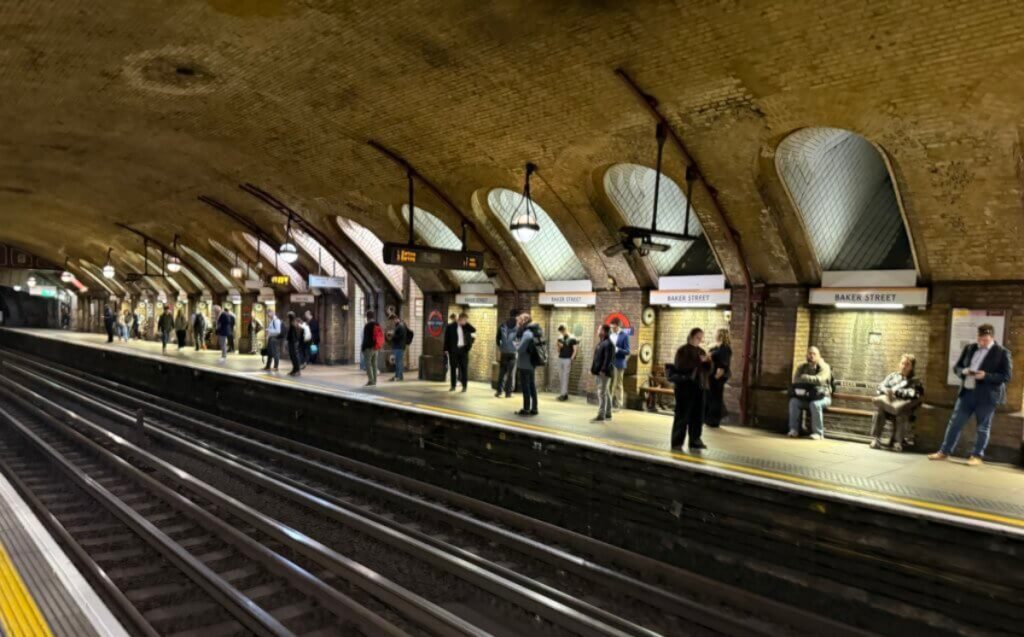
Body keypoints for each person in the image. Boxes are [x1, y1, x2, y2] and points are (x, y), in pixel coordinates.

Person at [930, 324, 1012, 466]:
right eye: (980, 338)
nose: (982, 342)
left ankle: (976, 456)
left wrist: (986, 376)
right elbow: (957, 367)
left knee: (982, 427)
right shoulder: (970, 348)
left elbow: (1006, 376)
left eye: (985, 339)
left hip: (987, 396)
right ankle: (944, 452)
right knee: (955, 423)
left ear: (992, 337)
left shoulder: (1002, 352)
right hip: (967, 392)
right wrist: (964, 371)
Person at [869, 354, 924, 452]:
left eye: (907, 364)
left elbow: (915, 394)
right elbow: (880, 386)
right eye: (902, 363)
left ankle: (897, 442)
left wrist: (897, 392)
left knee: (902, 415)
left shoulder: (915, 381)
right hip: (888, 407)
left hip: (903, 409)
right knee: (879, 412)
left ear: (912, 367)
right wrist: (886, 390)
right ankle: (876, 439)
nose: (904, 366)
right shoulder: (892, 376)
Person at [668, 328, 712, 450]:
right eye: (698, 337)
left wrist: (708, 362)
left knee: (698, 416)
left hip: (699, 387)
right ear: (691, 336)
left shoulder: (701, 351)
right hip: (685, 388)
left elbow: (707, 371)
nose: (700, 340)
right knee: (682, 415)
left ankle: (695, 440)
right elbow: (681, 366)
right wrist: (699, 361)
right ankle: (677, 442)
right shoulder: (683, 350)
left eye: (701, 337)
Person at [787, 346, 833, 440]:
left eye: (814, 354)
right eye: (809, 353)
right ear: (806, 355)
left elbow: (820, 380)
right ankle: (794, 430)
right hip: (806, 397)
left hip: (823, 397)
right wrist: (807, 379)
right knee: (794, 402)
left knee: (815, 404)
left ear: (819, 356)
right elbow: (795, 380)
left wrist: (805, 377)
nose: (811, 356)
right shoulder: (802, 366)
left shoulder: (824, 367)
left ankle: (818, 433)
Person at [705, 328, 732, 427]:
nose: (714, 334)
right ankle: (709, 418)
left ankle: (714, 420)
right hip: (711, 375)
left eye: (716, 333)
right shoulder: (716, 347)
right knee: (710, 397)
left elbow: (724, 363)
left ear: (720, 335)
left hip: (718, 376)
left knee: (716, 397)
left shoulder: (725, 348)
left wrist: (717, 376)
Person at [444, 312, 476, 392]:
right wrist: (446, 350)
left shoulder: (466, 327)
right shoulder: (450, 327)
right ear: (460, 319)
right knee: (453, 369)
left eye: (466, 320)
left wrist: (466, 324)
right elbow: (446, 338)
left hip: (463, 350)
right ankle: (453, 386)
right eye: (464, 320)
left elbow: (474, 330)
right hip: (454, 351)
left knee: (464, 369)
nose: (465, 321)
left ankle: (464, 387)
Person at [515, 314, 539, 415]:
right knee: (532, 386)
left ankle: (526, 409)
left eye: (519, 320)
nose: (518, 322)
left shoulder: (527, 333)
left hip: (525, 363)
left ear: (525, 321)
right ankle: (534, 408)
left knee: (526, 387)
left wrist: (516, 344)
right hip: (531, 363)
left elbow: (520, 349)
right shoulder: (534, 331)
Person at [591, 324, 615, 422]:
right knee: (606, 392)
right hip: (599, 372)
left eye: (599, 329)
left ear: (604, 332)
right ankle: (608, 413)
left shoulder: (608, 344)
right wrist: (593, 369)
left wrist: (603, 370)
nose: (597, 330)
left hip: (603, 373)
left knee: (601, 393)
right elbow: (596, 358)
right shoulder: (601, 343)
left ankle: (601, 415)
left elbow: (608, 359)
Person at [495, 308, 519, 398]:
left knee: (502, 372)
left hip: (504, 352)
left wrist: (501, 346)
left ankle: (499, 391)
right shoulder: (518, 326)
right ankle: (508, 393)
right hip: (513, 353)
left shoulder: (502, 325)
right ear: (517, 315)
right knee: (511, 373)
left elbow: (497, 339)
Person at [609, 318, 630, 410]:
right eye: (611, 327)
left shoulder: (624, 336)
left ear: (618, 326)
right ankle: (608, 403)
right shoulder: (610, 335)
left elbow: (627, 351)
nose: (612, 329)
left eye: (613, 327)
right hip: (609, 362)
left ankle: (619, 404)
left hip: (619, 363)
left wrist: (618, 350)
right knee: (609, 384)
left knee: (618, 384)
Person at [555, 324, 578, 401]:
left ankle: (563, 394)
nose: (562, 332)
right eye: (561, 331)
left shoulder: (572, 338)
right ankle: (564, 394)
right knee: (561, 377)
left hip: (567, 359)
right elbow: (558, 350)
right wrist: (558, 346)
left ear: (566, 329)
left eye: (563, 331)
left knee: (565, 377)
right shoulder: (560, 338)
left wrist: (571, 359)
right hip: (560, 358)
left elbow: (575, 350)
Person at [362, 310, 382, 386]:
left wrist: (363, 348)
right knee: (374, 364)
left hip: (368, 348)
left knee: (368, 364)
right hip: (376, 347)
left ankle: (371, 381)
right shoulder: (377, 324)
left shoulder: (368, 325)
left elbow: (366, 338)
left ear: (367, 317)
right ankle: (375, 381)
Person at [390, 315, 408, 381]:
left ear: (397, 319)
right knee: (398, 362)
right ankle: (398, 376)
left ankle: (399, 377)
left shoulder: (400, 326)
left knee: (399, 362)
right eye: (393, 320)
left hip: (399, 347)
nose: (393, 321)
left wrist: (392, 335)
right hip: (398, 347)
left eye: (394, 320)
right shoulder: (399, 326)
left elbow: (399, 337)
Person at [284, 311, 302, 376]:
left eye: (288, 317)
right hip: (291, 342)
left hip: (293, 342)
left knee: (295, 356)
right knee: (292, 356)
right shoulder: (291, 323)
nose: (287, 318)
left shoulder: (294, 323)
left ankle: (297, 370)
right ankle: (294, 369)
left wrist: (292, 341)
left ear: (290, 317)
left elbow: (295, 334)